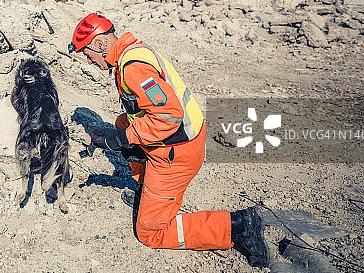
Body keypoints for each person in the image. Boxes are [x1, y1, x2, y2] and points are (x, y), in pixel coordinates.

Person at [69, 13, 269, 268]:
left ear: (99, 43)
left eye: (88, 55)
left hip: (177, 152)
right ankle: (146, 192)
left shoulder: (133, 68)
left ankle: (237, 226)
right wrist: (123, 134)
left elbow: (168, 117)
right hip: (180, 139)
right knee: (123, 122)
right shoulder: (130, 53)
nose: (89, 61)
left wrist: (122, 139)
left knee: (150, 233)